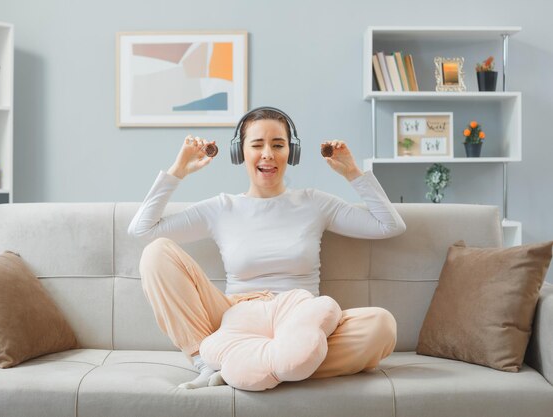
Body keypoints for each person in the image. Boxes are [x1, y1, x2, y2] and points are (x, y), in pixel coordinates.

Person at [128, 107, 406, 389]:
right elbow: (142, 230)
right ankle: (207, 361)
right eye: (257, 145)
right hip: (233, 318)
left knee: (380, 326)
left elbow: (389, 226)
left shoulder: (314, 203)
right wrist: (179, 171)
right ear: (241, 153)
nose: (268, 154)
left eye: (278, 145)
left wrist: (353, 173)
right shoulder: (222, 208)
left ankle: (243, 367)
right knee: (156, 253)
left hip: (299, 320)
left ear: (291, 152)